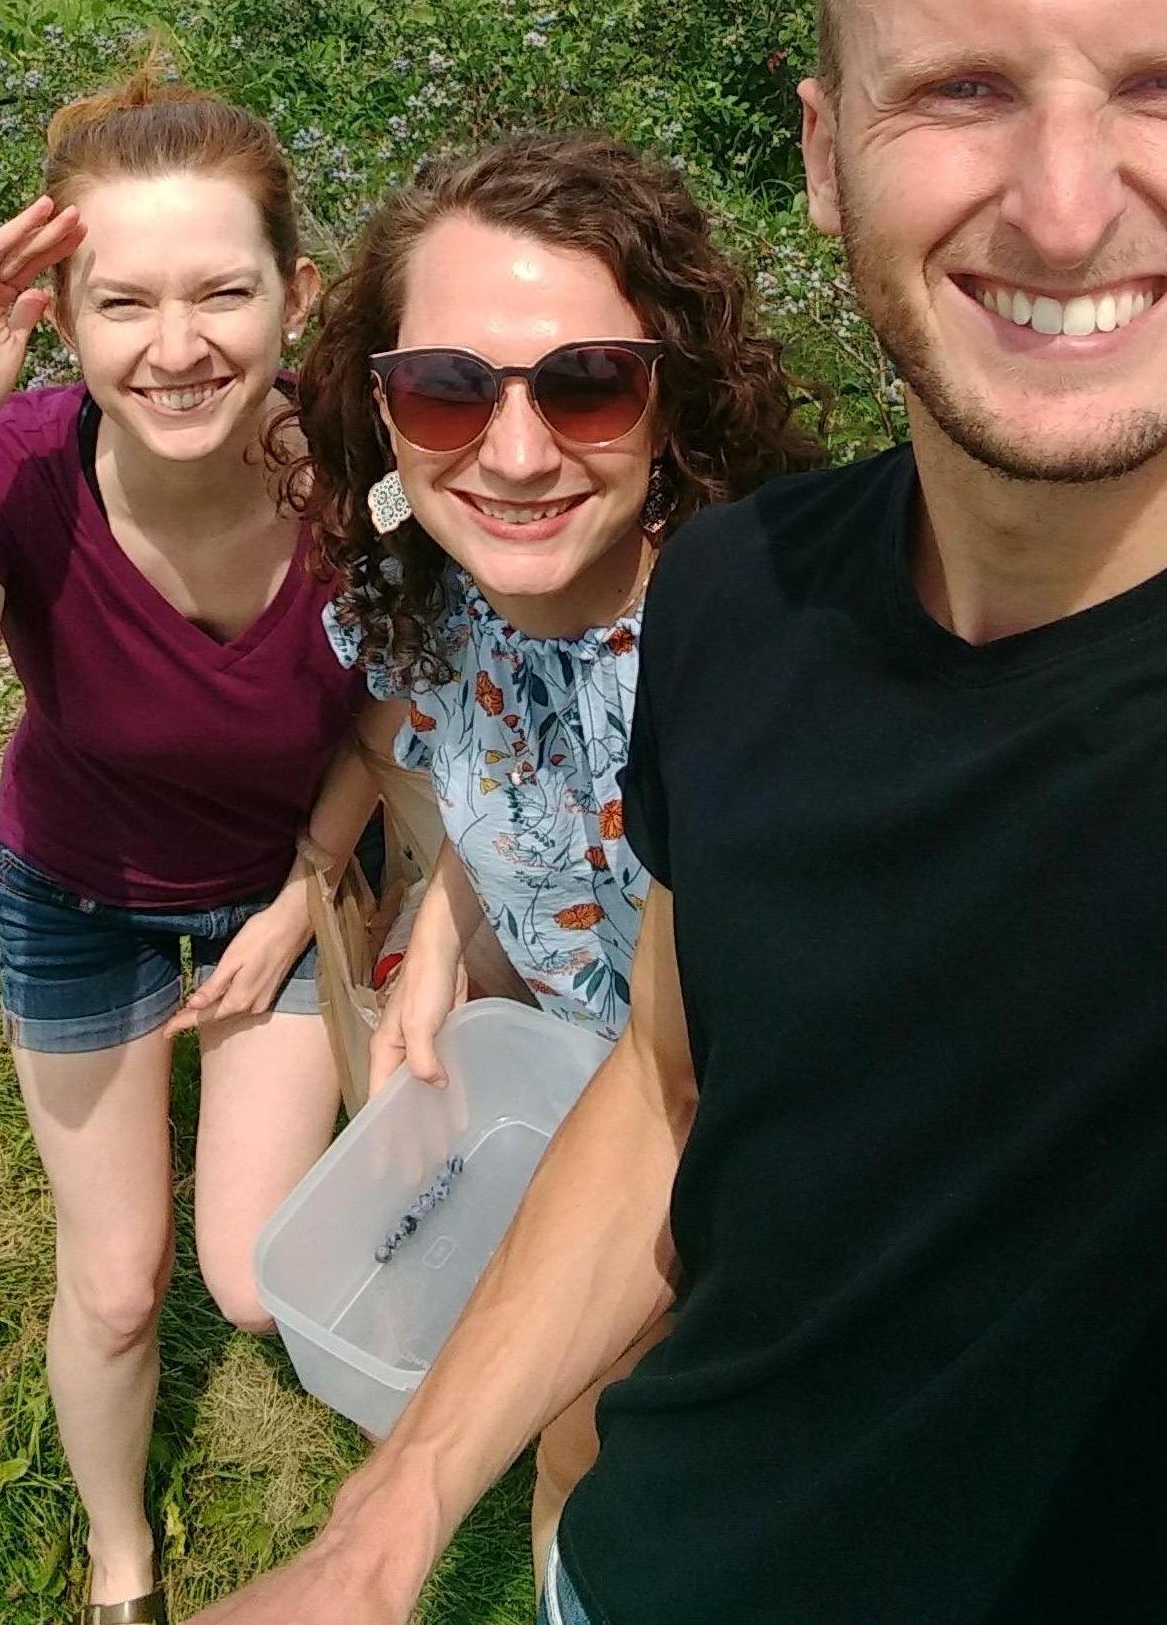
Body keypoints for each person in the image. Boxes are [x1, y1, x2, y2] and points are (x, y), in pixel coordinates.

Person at [186, 0, 1167, 1625]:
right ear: (822, 151)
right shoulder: (747, 601)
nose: (1061, 200)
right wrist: (381, 1535)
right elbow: (673, 1089)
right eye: (958, 89)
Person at [0, 74, 383, 1625]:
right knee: (119, 1292)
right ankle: (123, 1569)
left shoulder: (368, 479)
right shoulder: (26, 470)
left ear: (298, 295)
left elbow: (415, 716)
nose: (175, 346)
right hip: (82, 896)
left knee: (257, 1292)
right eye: (120, 301)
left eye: (223, 292)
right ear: (57, 314)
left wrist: (310, 888)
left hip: (284, 893)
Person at [296, 130, 817, 1575]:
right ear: (382, 410)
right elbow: (508, 796)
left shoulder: (758, 663)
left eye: (586, 381)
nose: (515, 453)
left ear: (671, 403)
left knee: (609, 1444)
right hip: (567, 1085)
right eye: (447, 390)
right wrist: (443, 950)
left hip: (734, 1158)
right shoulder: (443, 608)